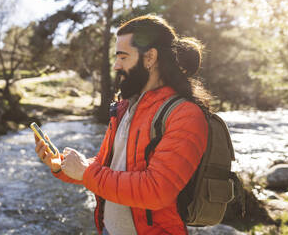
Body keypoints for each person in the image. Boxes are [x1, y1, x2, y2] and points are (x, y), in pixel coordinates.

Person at [34, 15, 212, 235]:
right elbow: (106, 166)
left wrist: (85, 172)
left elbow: (156, 190)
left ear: (150, 57)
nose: (116, 65)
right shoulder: (124, 107)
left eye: (123, 56)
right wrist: (61, 166)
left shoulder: (185, 115)